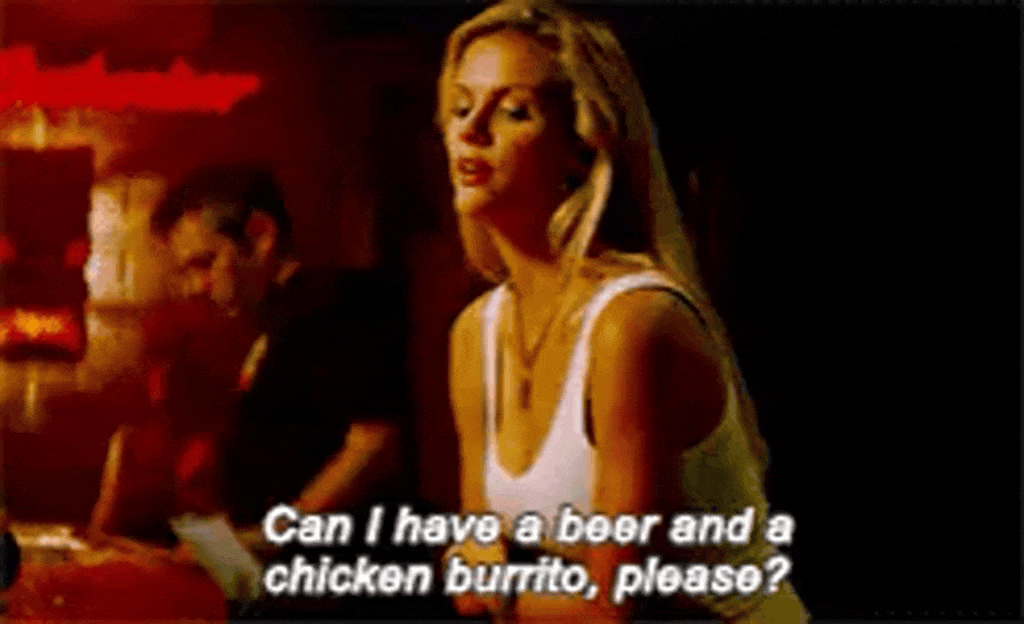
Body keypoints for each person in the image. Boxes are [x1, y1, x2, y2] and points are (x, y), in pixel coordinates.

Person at [439, 2, 809, 622]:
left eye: (514, 111)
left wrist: (495, 590)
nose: (471, 131)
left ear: (581, 149)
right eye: (459, 107)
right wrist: (485, 580)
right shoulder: (476, 332)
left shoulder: (633, 322)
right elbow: (477, 557)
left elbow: (617, 604)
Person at [87, 167, 416, 594]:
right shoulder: (277, 323)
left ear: (261, 235)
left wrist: (268, 537)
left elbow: (374, 444)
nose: (196, 286)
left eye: (205, 263)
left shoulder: (338, 301)